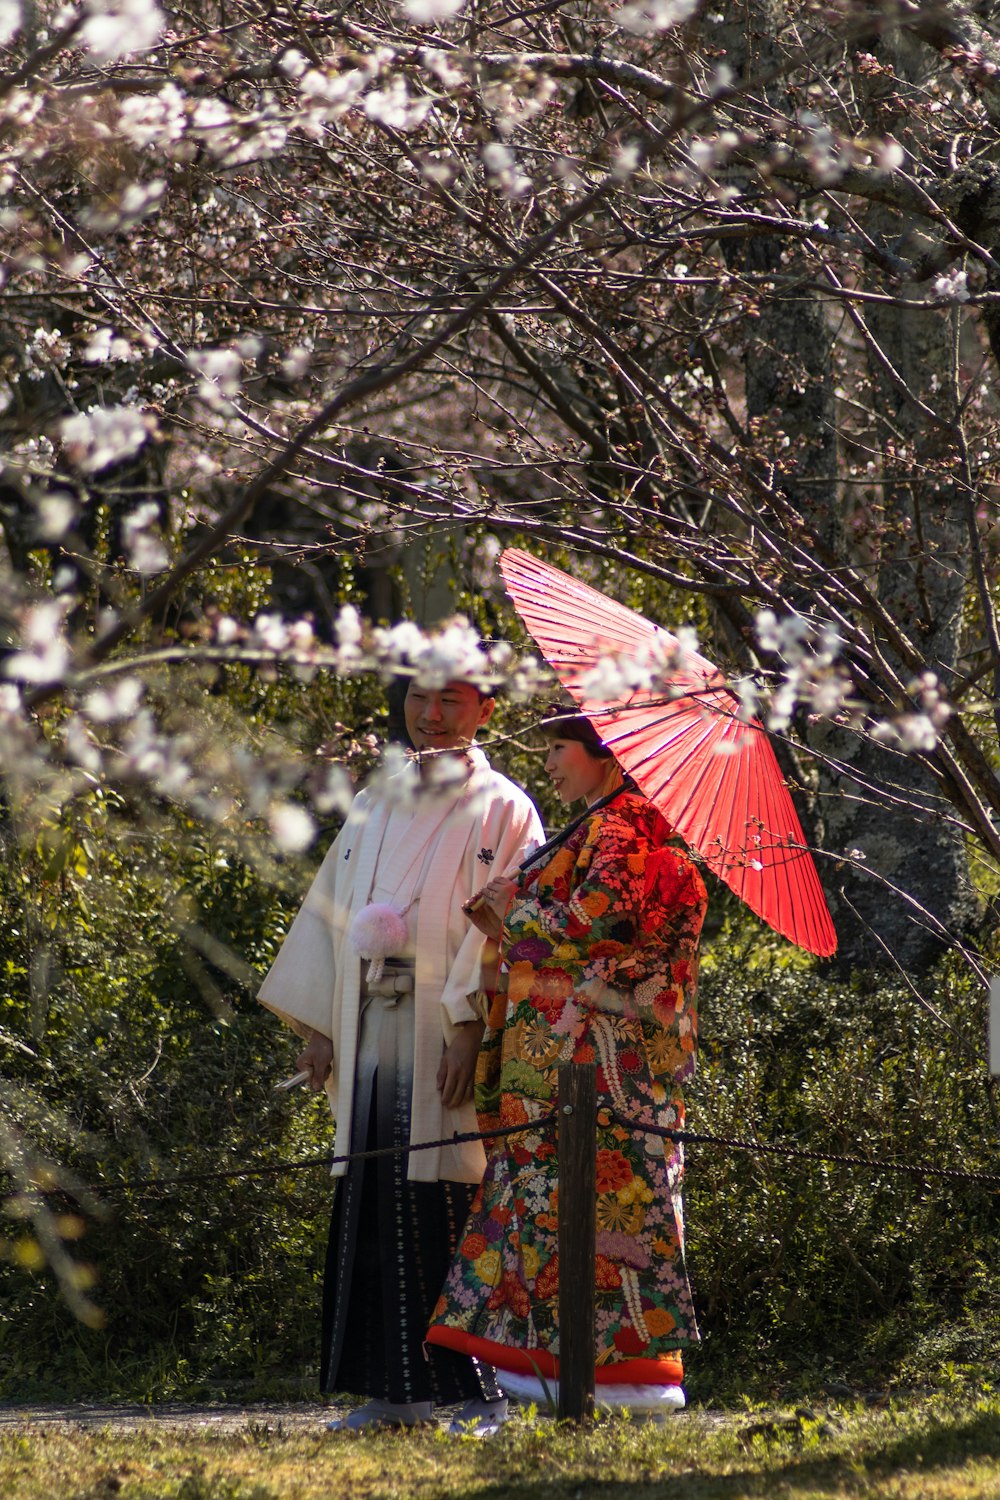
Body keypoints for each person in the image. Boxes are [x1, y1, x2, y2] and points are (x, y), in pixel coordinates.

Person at [258, 676, 543, 1432]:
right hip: (367, 1019)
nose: (431, 714)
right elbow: (331, 912)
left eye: (451, 700)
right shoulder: (375, 800)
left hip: (444, 1027)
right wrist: (320, 1022)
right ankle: (398, 1390)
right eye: (420, 697)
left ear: (487, 707)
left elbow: (504, 927)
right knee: (374, 1201)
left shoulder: (506, 808)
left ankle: (484, 1392)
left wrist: (470, 1027)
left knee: (450, 1199)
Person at [426, 710, 708, 1418]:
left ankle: (606, 1380)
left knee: (598, 1210)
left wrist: (508, 919)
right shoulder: (602, 823)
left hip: (597, 1058)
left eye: (558, 750)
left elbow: (597, 923)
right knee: (582, 1212)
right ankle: (580, 1377)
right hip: (580, 1057)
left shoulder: (623, 826)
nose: (548, 763)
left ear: (604, 756)